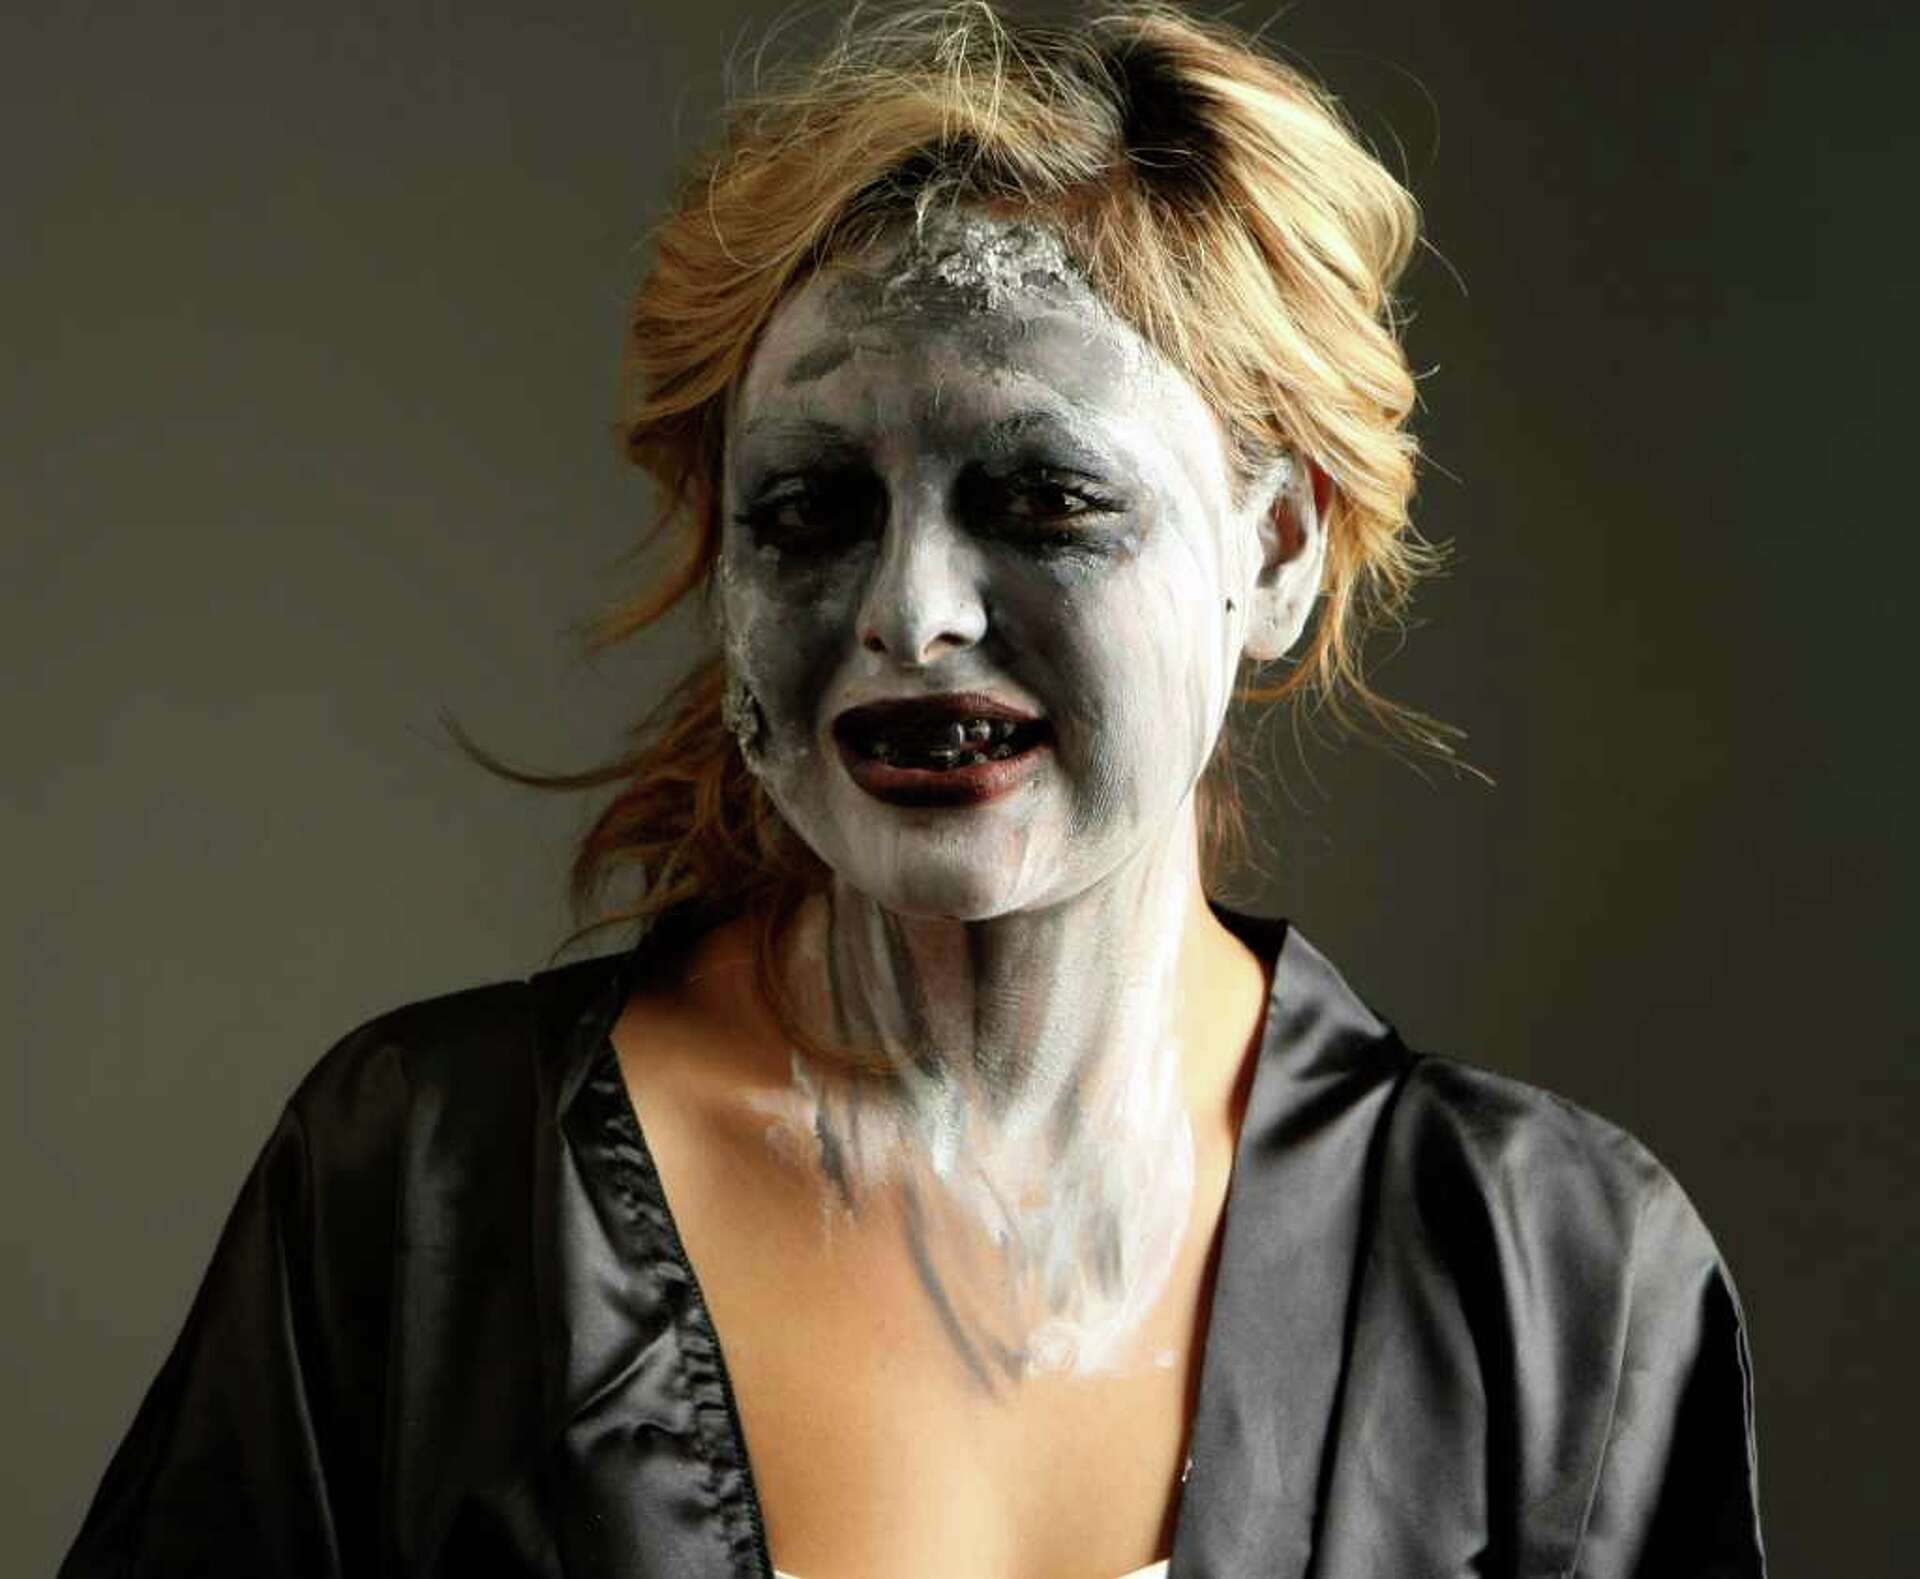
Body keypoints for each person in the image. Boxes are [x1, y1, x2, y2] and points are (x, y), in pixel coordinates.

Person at [60, 4, 1765, 1576]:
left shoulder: (1558, 1277)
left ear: (1277, 549)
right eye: (812, 509)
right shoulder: (425, 1196)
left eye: (1045, 498)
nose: (910, 613)